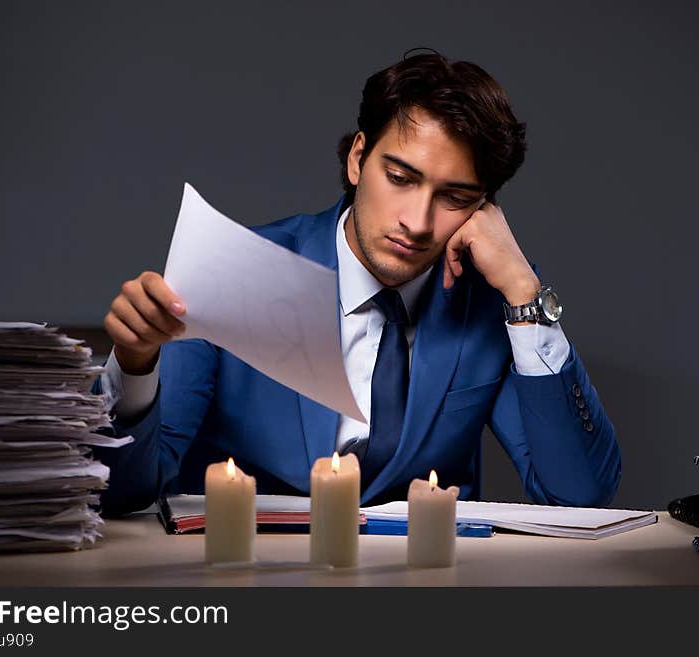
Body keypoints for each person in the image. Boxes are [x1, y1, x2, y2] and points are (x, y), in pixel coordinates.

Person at [94, 51, 621, 515]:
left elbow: (579, 497)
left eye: (455, 197)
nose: (417, 221)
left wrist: (526, 294)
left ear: (484, 207)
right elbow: (121, 493)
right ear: (357, 158)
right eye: (400, 178)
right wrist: (136, 365)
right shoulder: (233, 270)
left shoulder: (487, 308)